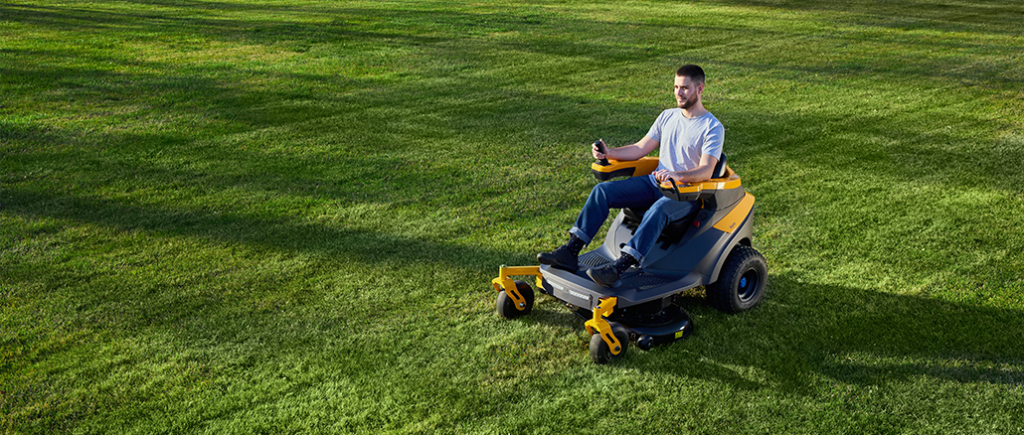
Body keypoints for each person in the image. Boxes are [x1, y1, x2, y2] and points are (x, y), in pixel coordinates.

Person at [538, 64, 724, 287]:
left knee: (659, 210)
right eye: (675, 87)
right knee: (602, 192)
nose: (678, 93)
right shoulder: (667, 116)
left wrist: (676, 175)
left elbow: (706, 170)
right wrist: (609, 153)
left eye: (684, 88)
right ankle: (571, 250)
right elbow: (639, 148)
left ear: (700, 89)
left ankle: (620, 267)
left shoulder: (712, 127)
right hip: (653, 183)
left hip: (685, 194)